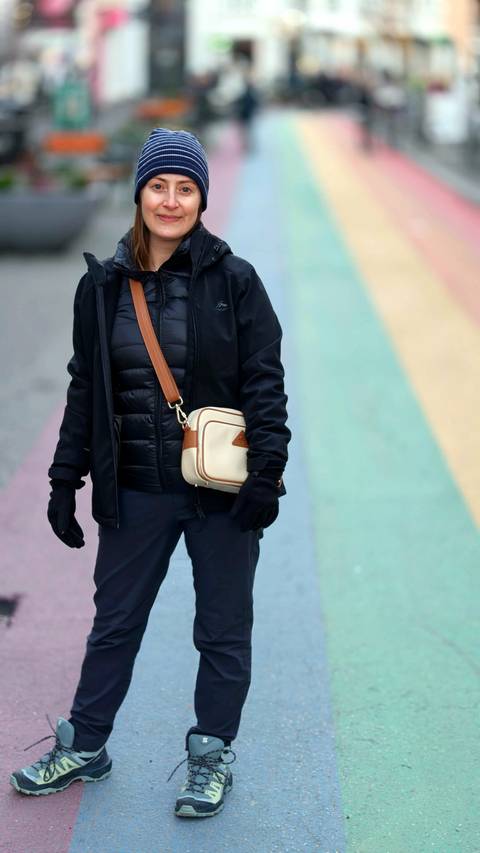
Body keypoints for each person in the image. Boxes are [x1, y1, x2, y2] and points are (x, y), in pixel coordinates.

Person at [10, 128, 290, 818]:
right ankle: (87, 743)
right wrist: (62, 477)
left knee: (222, 628)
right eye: (159, 185)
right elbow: (86, 388)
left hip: (221, 491)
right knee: (115, 622)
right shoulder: (101, 287)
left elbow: (265, 384)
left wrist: (267, 472)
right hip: (135, 487)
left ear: (201, 197)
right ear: (140, 193)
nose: (171, 200)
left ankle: (209, 754)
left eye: (185, 187)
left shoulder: (235, 281)